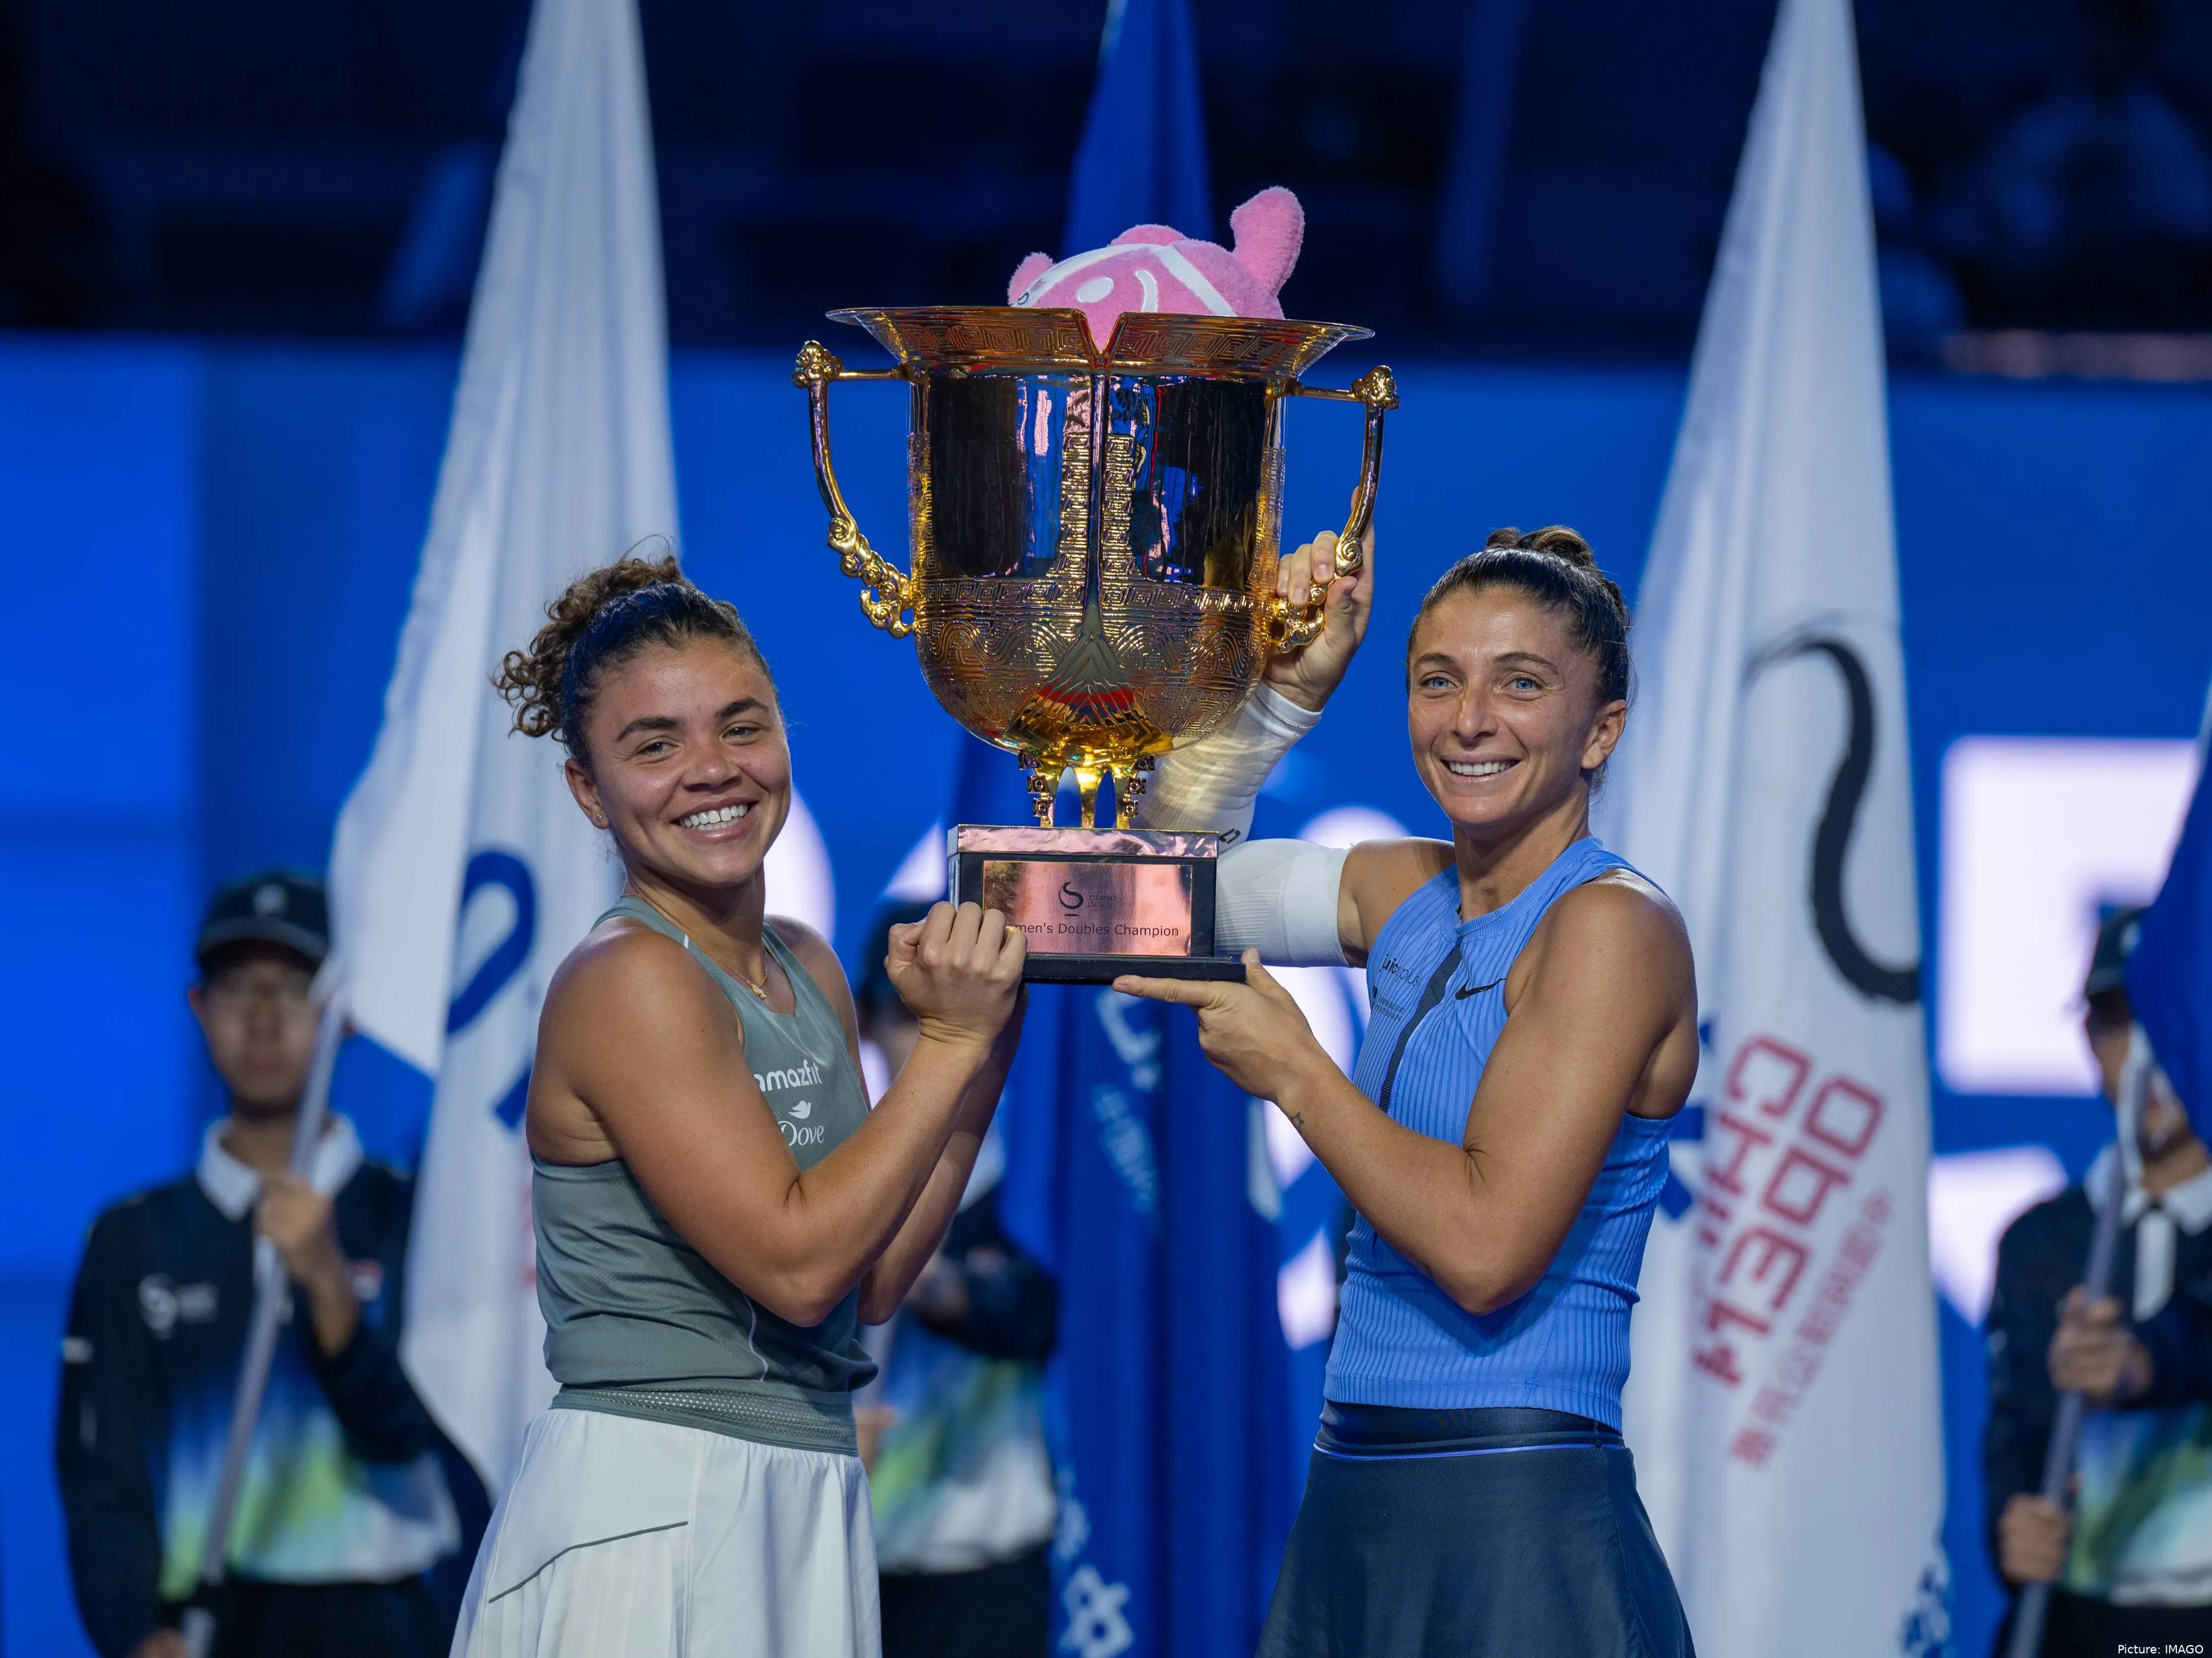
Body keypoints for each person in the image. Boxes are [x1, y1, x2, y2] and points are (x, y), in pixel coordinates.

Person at [1122, 525, 1698, 1657]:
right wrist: (1280, 701)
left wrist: (1297, 1072)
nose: (1469, 720)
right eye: (1438, 681)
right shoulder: (1401, 891)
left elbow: (1486, 1252)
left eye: (1520, 684)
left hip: (1517, 1515)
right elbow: (1150, 896)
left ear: (1603, 731)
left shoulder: (1613, 927)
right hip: (1354, 1490)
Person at [450, 554, 1027, 1658]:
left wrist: (985, 1044)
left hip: (797, 1493)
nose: (711, 770)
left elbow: (870, 1279)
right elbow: (798, 1267)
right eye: (654, 746)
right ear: (588, 791)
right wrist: (949, 1046)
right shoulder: (629, 979)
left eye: (741, 726)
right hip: (654, 1502)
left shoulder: (807, 962)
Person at [56, 870, 479, 1658]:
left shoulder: (415, 1214)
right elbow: (100, 1468)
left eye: (293, 987)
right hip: (207, 1627)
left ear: (345, 1013)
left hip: (398, 1625)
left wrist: (329, 1283)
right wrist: (135, 1630)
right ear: (197, 1006)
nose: (261, 1016)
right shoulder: (133, 1238)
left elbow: (431, 1440)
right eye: (236, 986)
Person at [1984, 905, 2212, 1653]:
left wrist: (2140, 1362)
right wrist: (2012, 1527)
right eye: (2117, 1022)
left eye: (2167, 1017)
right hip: (2080, 1628)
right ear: (2087, 1042)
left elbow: (2195, 1336)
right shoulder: (2042, 1241)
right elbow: (2016, 1430)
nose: (2143, 1052)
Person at [850, 903, 1059, 1658]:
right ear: (864, 1022)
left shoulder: (1028, 1178)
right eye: (908, 1015)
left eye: (949, 1013)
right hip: (847, 1561)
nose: (930, 1038)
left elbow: (1033, 1314)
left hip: (984, 1574)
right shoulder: (831, 1174)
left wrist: (920, 1276)